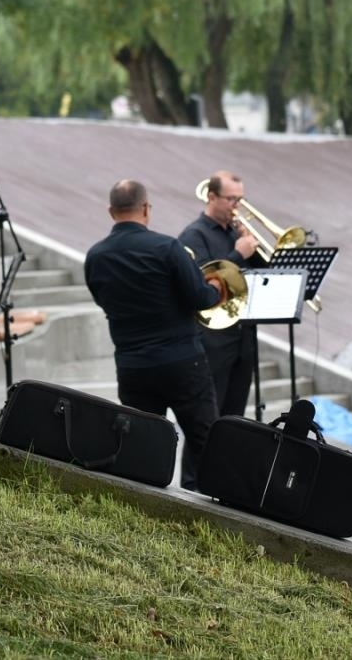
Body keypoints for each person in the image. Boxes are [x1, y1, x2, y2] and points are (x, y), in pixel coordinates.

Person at [87, 179, 227, 490]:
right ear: (147, 208)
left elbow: (103, 300)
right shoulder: (167, 247)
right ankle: (214, 515)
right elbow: (200, 299)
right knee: (206, 440)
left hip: (132, 367)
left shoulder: (95, 256)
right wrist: (216, 287)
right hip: (182, 362)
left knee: (140, 444)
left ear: (111, 212)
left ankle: (146, 509)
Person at [179, 171, 265, 418]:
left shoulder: (236, 234)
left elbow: (262, 275)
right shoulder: (194, 235)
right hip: (213, 340)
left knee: (235, 419)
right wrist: (238, 254)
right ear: (212, 196)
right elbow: (203, 284)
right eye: (231, 200)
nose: (236, 207)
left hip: (243, 336)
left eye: (240, 200)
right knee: (208, 419)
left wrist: (252, 248)